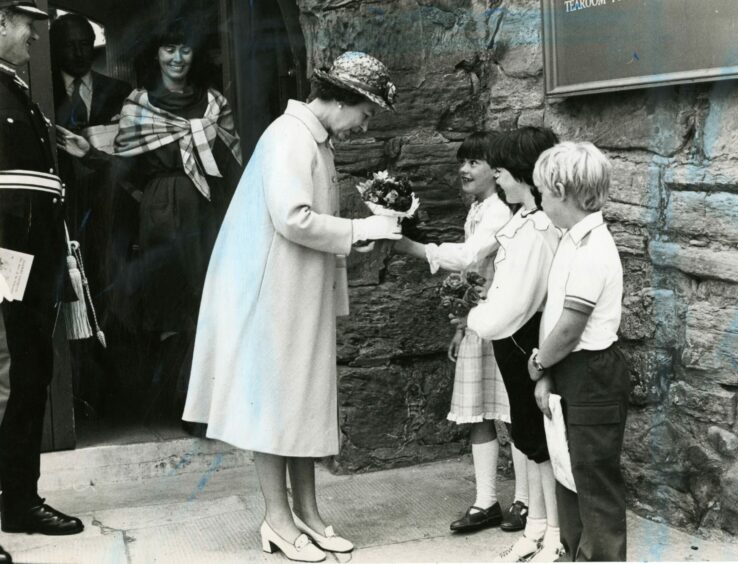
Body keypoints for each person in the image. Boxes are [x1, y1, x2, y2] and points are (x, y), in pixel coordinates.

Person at [183, 51, 401, 562]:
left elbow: (312, 223)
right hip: (270, 295)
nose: (362, 127)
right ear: (345, 99)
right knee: (277, 407)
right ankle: (277, 521)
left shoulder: (314, 140)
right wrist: (358, 229)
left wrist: (349, 240)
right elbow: (293, 218)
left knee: (302, 401)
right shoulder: (288, 136)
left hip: (295, 292)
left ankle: (308, 513)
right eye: (365, 114)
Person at [59, 17, 243, 427]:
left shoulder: (214, 103)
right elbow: (126, 173)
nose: (177, 58)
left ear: (195, 54)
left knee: (210, 306)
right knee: (171, 310)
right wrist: (88, 152)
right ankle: (183, 406)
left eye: (185, 49)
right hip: (161, 216)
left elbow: (231, 169)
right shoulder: (140, 106)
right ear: (156, 54)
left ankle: (211, 404)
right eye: (168, 49)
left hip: (209, 214)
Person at [395, 131, 531, 534]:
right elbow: (473, 275)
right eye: (463, 161)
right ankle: (486, 501)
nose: (464, 168)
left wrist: (416, 249)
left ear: (499, 170)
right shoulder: (478, 208)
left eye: (474, 162)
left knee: (511, 411)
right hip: (479, 320)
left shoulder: (501, 212)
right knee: (479, 410)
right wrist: (461, 324)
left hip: (504, 320)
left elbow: (473, 257)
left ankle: (524, 499)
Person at [0, 0, 84, 538]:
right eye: (26, 24)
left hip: (26, 263)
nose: (35, 36)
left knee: (29, 378)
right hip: (3, 259)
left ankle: (18, 501)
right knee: (6, 383)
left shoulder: (14, 89)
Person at [460, 127, 564, 562]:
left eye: (500, 171)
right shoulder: (522, 220)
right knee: (525, 434)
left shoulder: (538, 228)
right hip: (510, 342)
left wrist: (472, 318)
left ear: (522, 174)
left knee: (541, 442)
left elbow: (517, 301)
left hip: (523, 340)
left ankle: (555, 533)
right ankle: (536, 526)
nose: (496, 180)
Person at [529, 142, 629, 562]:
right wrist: (551, 374)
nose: (540, 201)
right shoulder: (571, 241)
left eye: (543, 193)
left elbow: (570, 327)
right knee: (568, 473)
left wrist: (539, 362)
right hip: (569, 370)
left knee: (593, 480)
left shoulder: (593, 249)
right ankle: (574, 553)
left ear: (563, 191)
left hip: (591, 373)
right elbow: (557, 319)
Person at [50, 12, 133, 419]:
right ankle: (80, 397)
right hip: (65, 217)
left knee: (112, 296)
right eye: (70, 44)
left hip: (111, 214)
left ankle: (114, 397)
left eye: (86, 43)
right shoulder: (42, 92)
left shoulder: (119, 92)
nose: (80, 52)